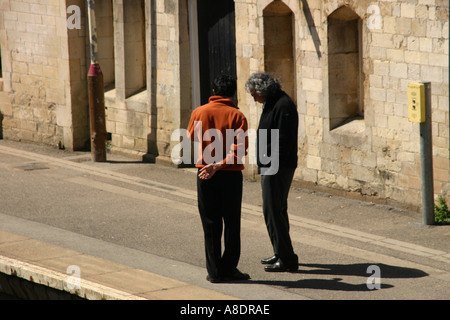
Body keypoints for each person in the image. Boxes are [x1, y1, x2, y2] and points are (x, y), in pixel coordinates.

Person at [187, 74, 250, 283]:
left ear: (213, 92)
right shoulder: (237, 116)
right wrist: (220, 164)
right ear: (233, 93)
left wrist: (211, 162)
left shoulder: (199, 112)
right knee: (232, 223)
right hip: (230, 175)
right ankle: (229, 268)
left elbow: (191, 138)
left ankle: (214, 272)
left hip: (205, 173)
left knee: (210, 222)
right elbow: (239, 151)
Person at [245, 72, 299, 272]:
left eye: (254, 94)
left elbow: (283, 140)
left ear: (262, 91)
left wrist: (270, 165)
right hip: (270, 163)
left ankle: (287, 258)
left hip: (277, 166)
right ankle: (279, 251)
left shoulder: (283, 105)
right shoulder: (272, 102)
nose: (254, 98)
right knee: (273, 211)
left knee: (274, 210)